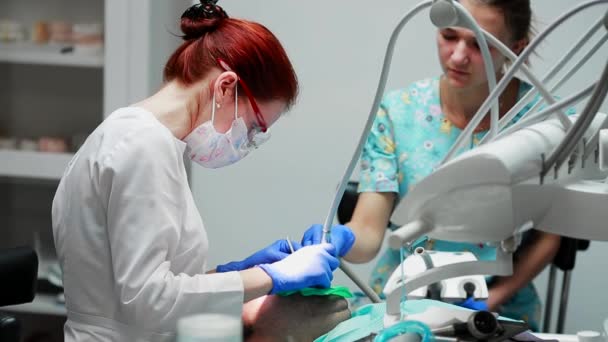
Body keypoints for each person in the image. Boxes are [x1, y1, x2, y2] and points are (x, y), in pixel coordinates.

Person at [51, 1, 354, 340]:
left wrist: (241, 271)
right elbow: (148, 300)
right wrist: (273, 275)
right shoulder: (143, 147)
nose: (247, 141)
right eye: (254, 126)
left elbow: (149, 285)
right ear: (225, 87)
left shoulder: (139, 137)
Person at [304, 0, 562, 331]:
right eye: (449, 35)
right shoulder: (397, 114)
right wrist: (336, 241)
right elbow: (369, 230)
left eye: (478, 43)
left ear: (516, 48)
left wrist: (491, 299)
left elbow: (548, 236)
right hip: (404, 300)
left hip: (498, 307)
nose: (457, 56)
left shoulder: (543, 121)